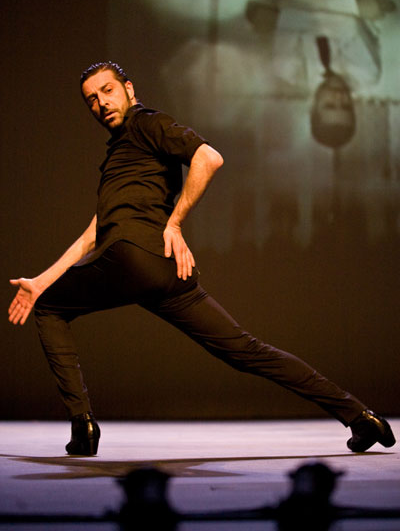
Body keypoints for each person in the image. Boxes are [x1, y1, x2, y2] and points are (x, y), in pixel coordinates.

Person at [8, 62, 395, 456]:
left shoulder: (147, 123)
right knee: (245, 350)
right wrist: (40, 281)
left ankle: (83, 427)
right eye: (91, 99)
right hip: (161, 268)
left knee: (50, 309)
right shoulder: (122, 150)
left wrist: (175, 223)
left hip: (133, 257)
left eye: (107, 90)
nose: (101, 103)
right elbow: (95, 232)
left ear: (129, 88)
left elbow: (208, 157)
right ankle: (360, 416)